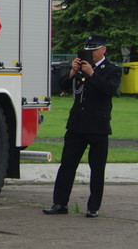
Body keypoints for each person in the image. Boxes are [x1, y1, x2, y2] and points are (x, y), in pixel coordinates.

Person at [44, 35, 122, 218]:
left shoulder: (111, 70)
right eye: (88, 49)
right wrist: (72, 72)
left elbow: (109, 90)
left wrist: (92, 74)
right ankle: (60, 203)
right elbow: (62, 87)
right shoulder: (80, 69)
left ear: (104, 49)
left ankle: (93, 207)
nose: (91, 53)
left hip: (98, 126)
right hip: (77, 125)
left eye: (95, 49)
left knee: (97, 168)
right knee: (67, 166)